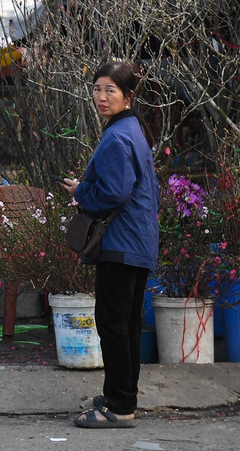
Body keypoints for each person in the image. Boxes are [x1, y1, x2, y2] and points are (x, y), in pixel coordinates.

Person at [60, 60, 159, 429]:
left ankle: (119, 408)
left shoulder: (118, 136)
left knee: (113, 323)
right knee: (127, 323)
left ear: (128, 96)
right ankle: (123, 398)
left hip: (122, 242)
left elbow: (114, 192)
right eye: (97, 89)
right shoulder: (132, 128)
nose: (101, 97)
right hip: (137, 239)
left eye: (110, 91)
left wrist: (81, 191)